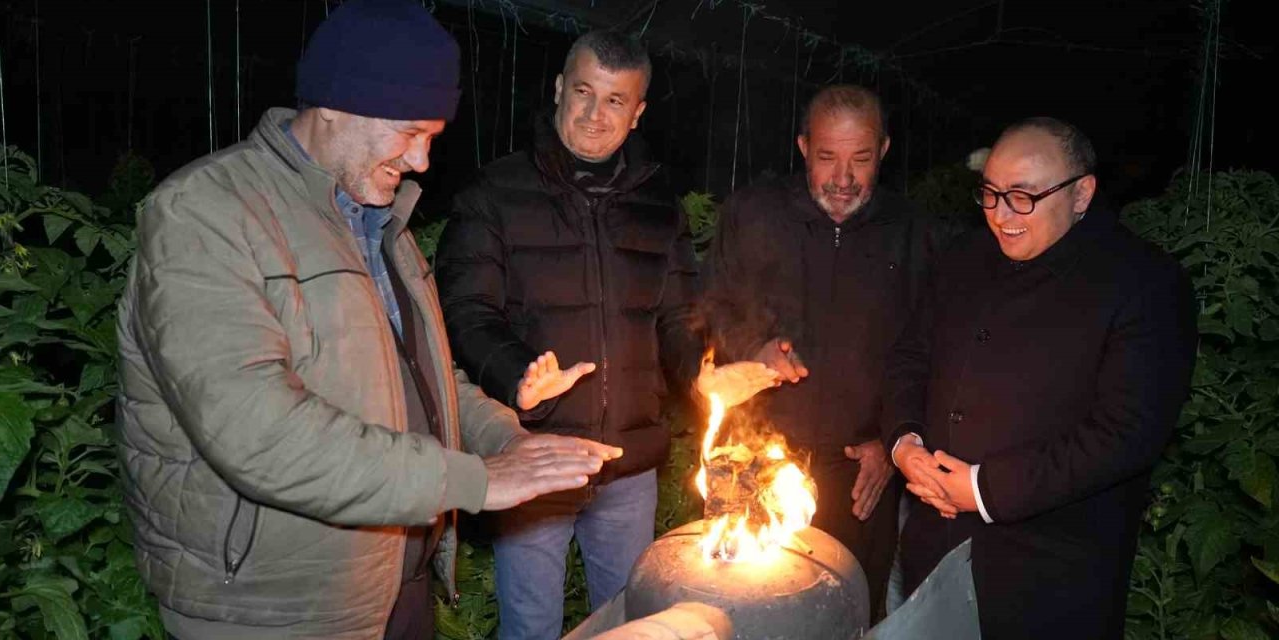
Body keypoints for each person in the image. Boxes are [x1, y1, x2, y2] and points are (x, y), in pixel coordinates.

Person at [114, 2, 620, 638]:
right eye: (410, 132)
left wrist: (509, 441)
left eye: (432, 137)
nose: (422, 161)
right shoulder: (205, 214)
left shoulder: (380, 222)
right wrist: (475, 480)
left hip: (393, 578)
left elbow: (427, 378)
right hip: (272, 606)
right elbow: (255, 431)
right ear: (334, 104)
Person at [435, 29, 775, 640]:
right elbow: (466, 308)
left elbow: (678, 318)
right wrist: (517, 374)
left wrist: (701, 375)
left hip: (629, 466)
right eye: (584, 92)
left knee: (626, 622)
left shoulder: (658, 205)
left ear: (637, 111)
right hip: (537, 456)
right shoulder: (494, 193)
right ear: (559, 89)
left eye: (615, 100)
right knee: (530, 628)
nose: (595, 114)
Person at [883, 117, 1198, 639]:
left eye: (1023, 196)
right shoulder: (962, 257)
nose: (1001, 214)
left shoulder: (1144, 283)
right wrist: (904, 444)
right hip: (932, 551)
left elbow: (1127, 434)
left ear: (1082, 193)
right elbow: (909, 357)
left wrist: (983, 489)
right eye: (990, 193)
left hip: (1049, 578)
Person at [703, 84, 947, 617]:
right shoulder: (753, 213)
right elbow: (711, 309)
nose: (843, 178)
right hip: (755, 459)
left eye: (861, 159)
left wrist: (892, 441)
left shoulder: (915, 235)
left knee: (848, 613)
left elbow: (931, 355)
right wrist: (752, 351)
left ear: (884, 150)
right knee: (746, 612)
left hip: (860, 474)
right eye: (826, 157)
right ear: (803, 147)